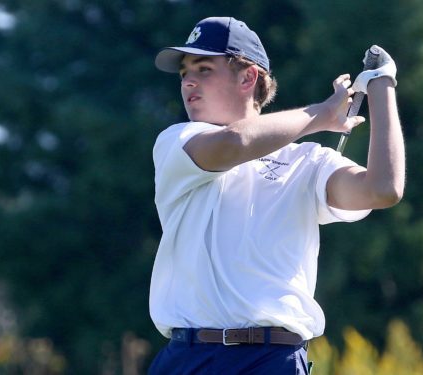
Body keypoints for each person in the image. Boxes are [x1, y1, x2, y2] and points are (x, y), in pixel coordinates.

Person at [148, 16, 405, 374]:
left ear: (248, 77)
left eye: (204, 69)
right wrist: (320, 114)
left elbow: (383, 189)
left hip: (274, 361)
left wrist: (382, 85)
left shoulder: (309, 161)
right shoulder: (178, 141)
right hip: (190, 357)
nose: (188, 81)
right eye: (184, 74)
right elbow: (235, 142)